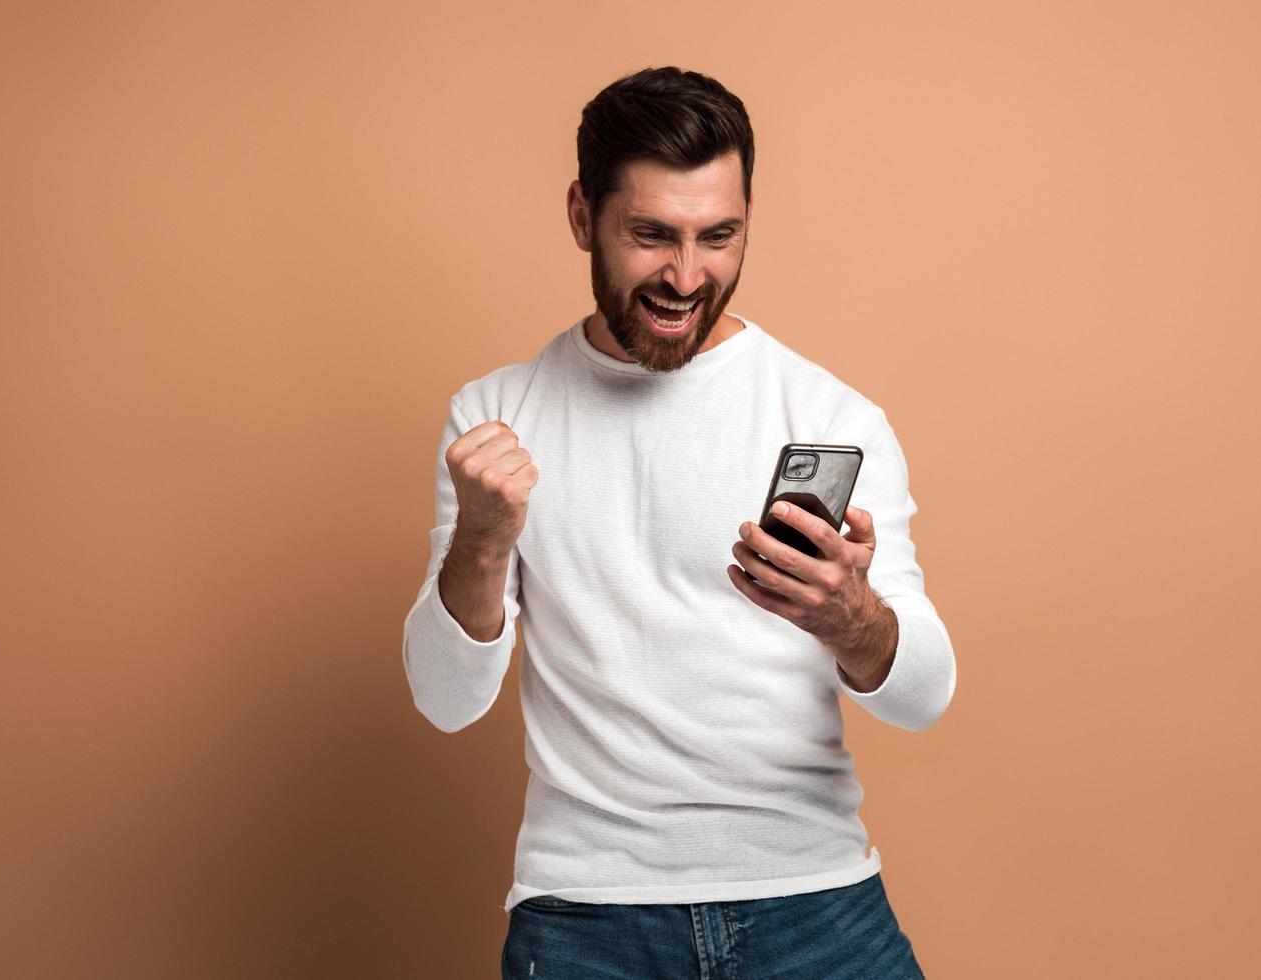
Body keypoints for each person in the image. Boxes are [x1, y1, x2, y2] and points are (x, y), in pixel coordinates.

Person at [401, 65, 956, 979]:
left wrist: (846, 615)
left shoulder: (831, 418)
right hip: (588, 920)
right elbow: (445, 701)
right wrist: (483, 539)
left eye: (719, 236)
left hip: (814, 905)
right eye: (652, 234)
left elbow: (925, 696)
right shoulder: (495, 418)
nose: (686, 276)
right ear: (584, 217)